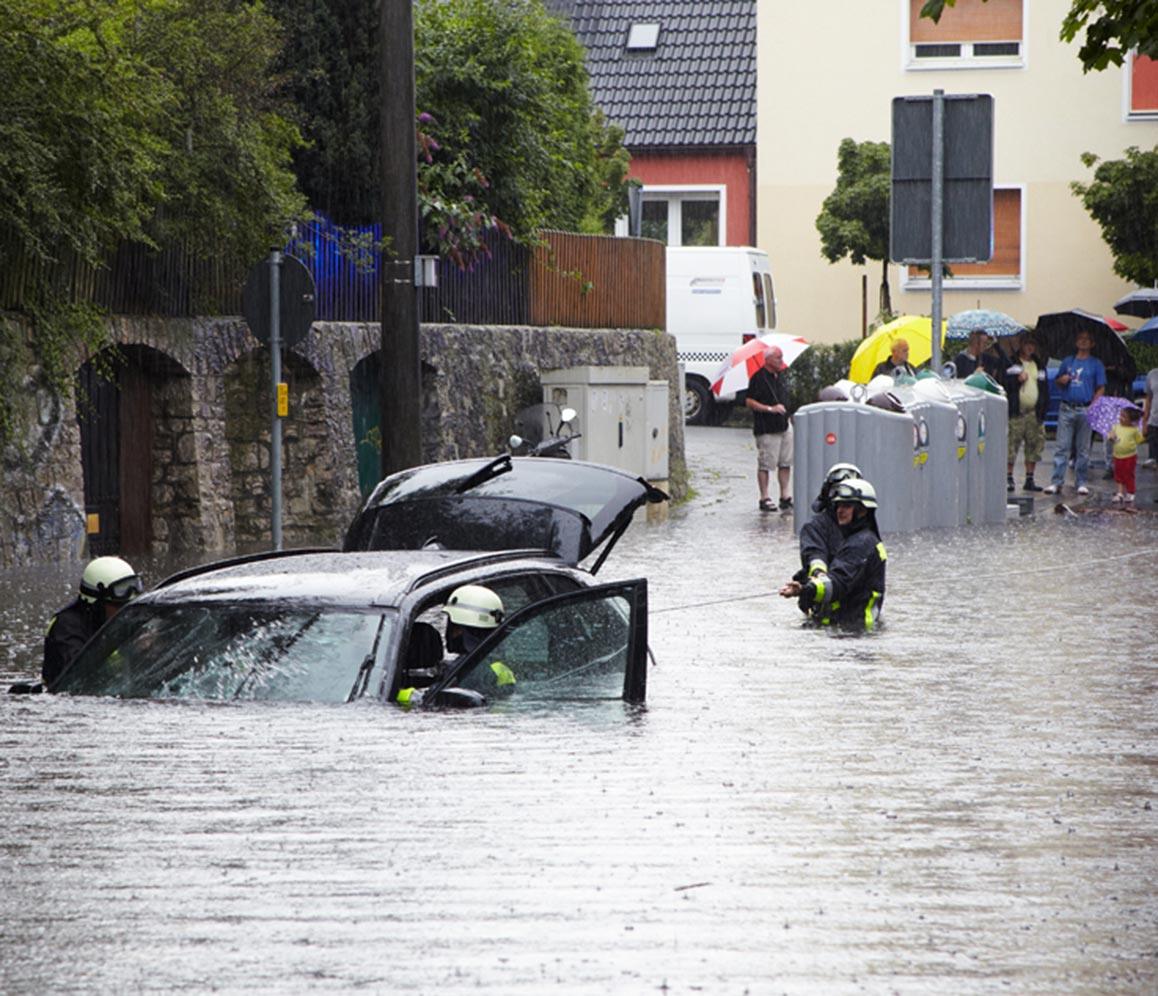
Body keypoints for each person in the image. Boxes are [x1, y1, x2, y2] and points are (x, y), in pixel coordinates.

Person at [778, 477, 886, 631]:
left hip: (853, 634)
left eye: (847, 506)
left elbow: (838, 583)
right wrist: (804, 580)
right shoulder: (857, 540)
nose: (839, 510)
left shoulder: (861, 544)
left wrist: (805, 590)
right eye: (838, 505)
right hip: (845, 629)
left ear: (862, 510)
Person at [43, 556, 142, 687]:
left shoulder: (130, 621)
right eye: (118, 606)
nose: (125, 612)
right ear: (97, 605)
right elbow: (78, 674)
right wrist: (122, 640)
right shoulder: (66, 626)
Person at [1045, 330, 1106, 495]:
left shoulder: (1096, 364)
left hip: (1086, 408)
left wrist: (1094, 405)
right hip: (1066, 407)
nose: (1083, 341)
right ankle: (1056, 482)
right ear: (1076, 342)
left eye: (1087, 339)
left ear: (1092, 344)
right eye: (1080, 338)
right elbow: (1058, 382)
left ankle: (1081, 482)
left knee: (1083, 449)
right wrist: (1061, 380)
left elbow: (1100, 388)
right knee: (1062, 447)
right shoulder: (1067, 361)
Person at [795, 462, 863, 585]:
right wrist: (819, 574)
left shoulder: (865, 529)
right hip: (826, 594)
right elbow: (814, 554)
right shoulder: (815, 527)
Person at [745, 346, 793, 512]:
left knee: (786, 462)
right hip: (767, 428)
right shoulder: (758, 378)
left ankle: (785, 495)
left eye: (782, 357)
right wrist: (770, 409)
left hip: (784, 425)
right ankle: (764, 497)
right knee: (766, 463)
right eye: (778, 358)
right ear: (768, 360)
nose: (781, 360)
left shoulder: (781, 376)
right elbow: (749, 402)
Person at [1002, 333, 1048, 493]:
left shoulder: (1039, 364)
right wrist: (1016, 380)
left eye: (1033, 344)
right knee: (1011, 445)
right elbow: (1003, 383)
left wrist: (1043, 409)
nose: (1030, 347)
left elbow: (1044, 388)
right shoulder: (1012, 363)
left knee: (1034, 445)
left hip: (1034, 413)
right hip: (1017, 412)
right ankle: (1008, 477)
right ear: (1021, 345)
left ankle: (1030, 478)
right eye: (1027, 343)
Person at [1107, 407, 1145, 504]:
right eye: (1120, 415)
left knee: (1128, 474)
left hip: (1130, 456)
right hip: (1117, 455)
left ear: (1131, 420)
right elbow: (1110, 436)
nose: (1120, 418)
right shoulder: (1116, 426)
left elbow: (1140, 440)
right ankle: (1120, 493)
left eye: (1123, 416)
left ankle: (1130, 492)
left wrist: (1141, 431)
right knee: (1118, 474)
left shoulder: (1134, 430)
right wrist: (1111, 437)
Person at [1143, 365, 1158, 475]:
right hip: (1154, 421)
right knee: (1153, 461)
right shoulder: (1152, 374)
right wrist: (1145, 421)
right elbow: (1148, 399)